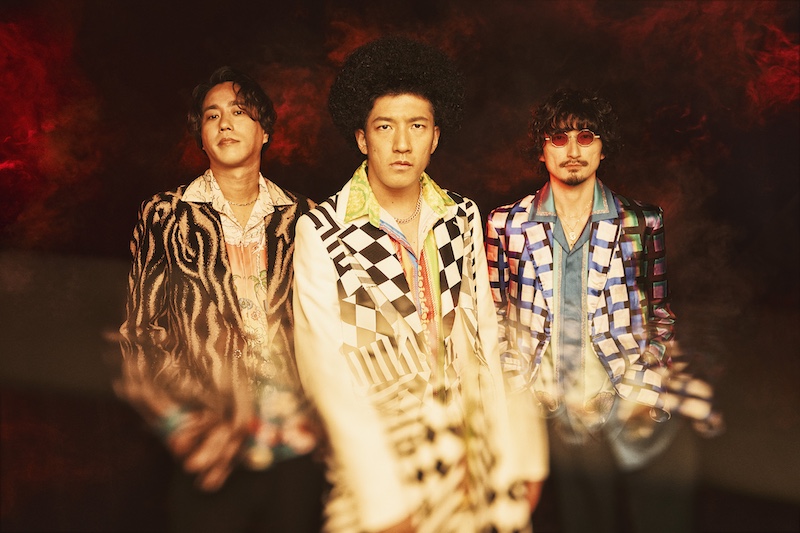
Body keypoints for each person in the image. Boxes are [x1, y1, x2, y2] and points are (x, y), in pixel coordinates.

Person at [292, 36, 547, 533]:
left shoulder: (461, 215)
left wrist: (515, 454)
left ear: (435, 137)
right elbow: (325, 376)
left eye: (417, 126)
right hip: (381, 466)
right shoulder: (322, 230)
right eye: (385, 126)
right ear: (362, 138)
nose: (402, 144)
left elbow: (487, 339)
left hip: (473, 462)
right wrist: (384, 501)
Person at [486, 88, 724, 533]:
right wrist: (516, 390)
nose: (573, 151)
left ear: (602, 147)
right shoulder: (507, 224)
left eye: (586, 136)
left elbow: (659, 313)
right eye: (559, 138)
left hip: (629, 404)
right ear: (541, 149)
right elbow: (497, 315)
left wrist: (646, 386)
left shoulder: (641, 221)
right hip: (556, 416)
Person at [115, 66, 326, 532]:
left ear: (265, 131)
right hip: (210, 445)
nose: (225, 123)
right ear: (201, 136)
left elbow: (327, 328)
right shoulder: (165, 215)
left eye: (240, 112)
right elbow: (142, 333)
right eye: (212, 115)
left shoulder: (306, 218)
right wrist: (184, 424)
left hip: (295, 445)